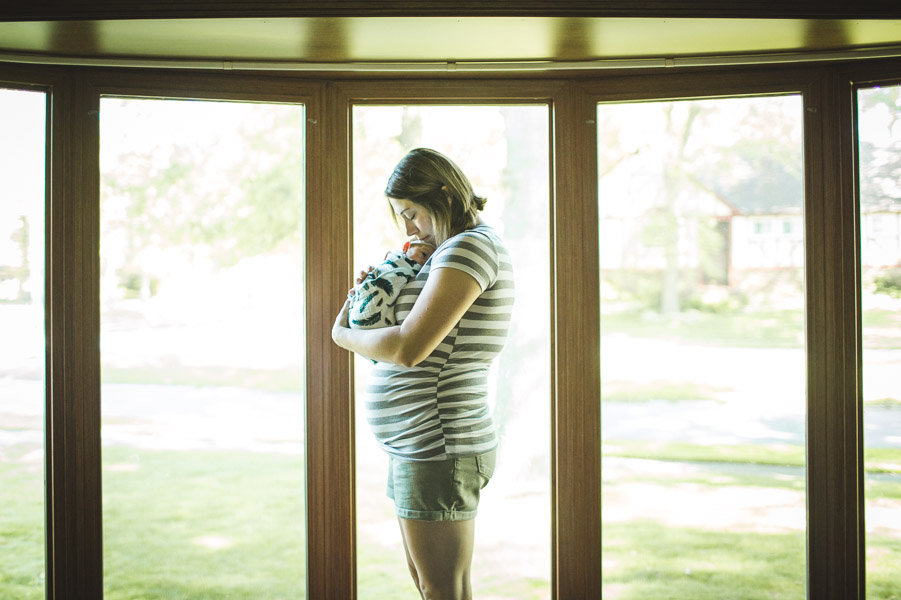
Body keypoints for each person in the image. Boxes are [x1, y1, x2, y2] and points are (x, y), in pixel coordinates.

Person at [332, 147, 514, 600]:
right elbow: (394, 337)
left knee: (440, 589)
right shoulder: (445, 253)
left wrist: (340, 334)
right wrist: (379, 291)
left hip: (439, 443)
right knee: (432, 584)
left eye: (411, 213)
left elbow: (409, 348)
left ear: (444, 194)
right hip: (421, 444)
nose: (409, 228)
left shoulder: (470, 247)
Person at [347, 240, 435, 329]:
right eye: (423, 254)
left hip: (381, 326)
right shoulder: (393, 261)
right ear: (406, 247)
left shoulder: (419, 277)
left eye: (429, 262)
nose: (425, 262)